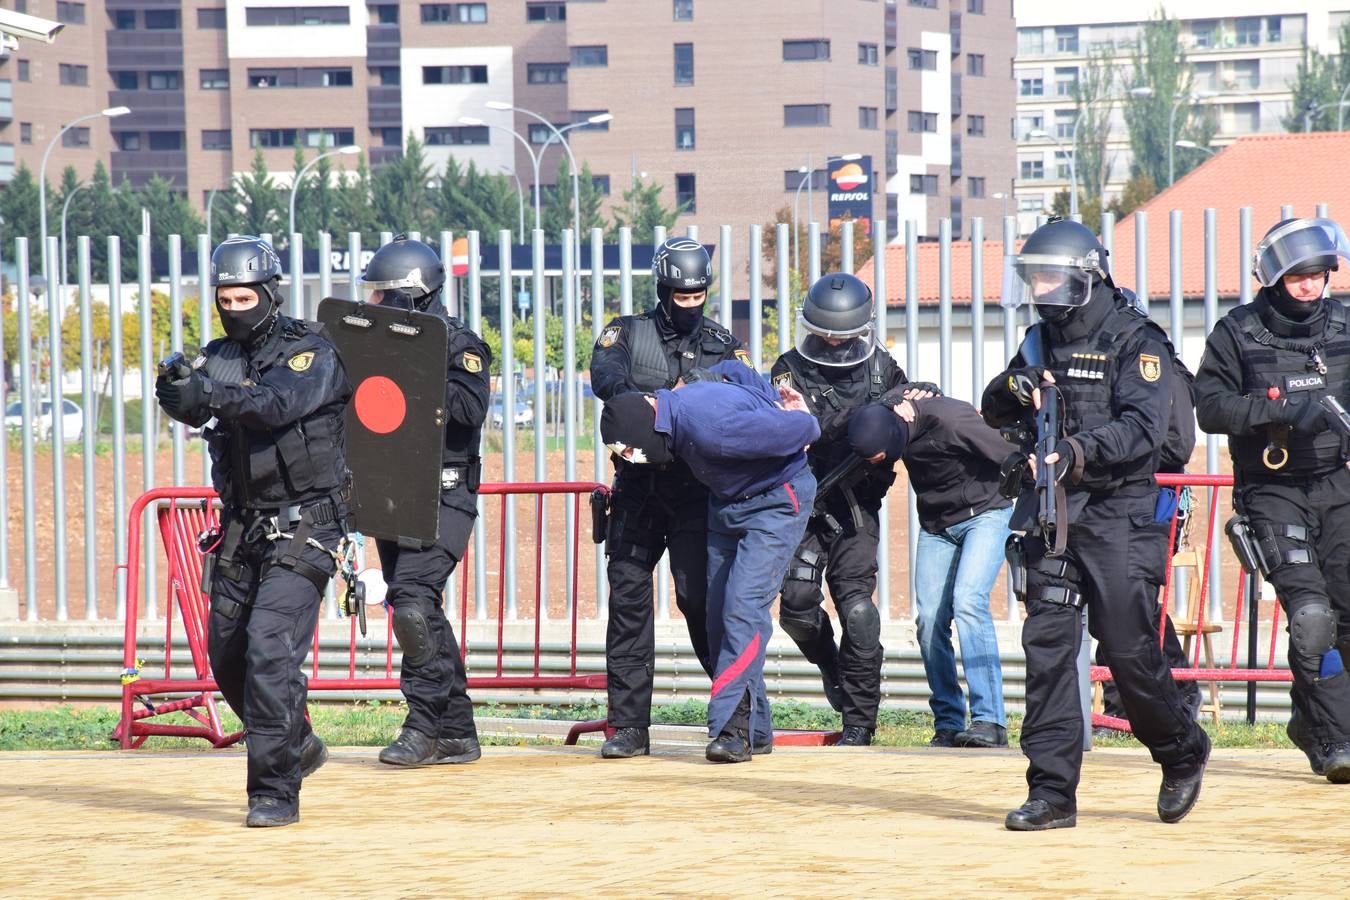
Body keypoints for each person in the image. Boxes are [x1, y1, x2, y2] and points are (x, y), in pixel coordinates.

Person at [981, 218, 1210, 831]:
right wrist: (1016, 384)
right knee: (1049, 651)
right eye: (1034, 277)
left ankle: (1181, 749)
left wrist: (1080, 452)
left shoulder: (1137, 341)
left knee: (1130, 652)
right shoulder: (1038, 340)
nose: (1043, 288)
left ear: (1087, 275)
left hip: (1120, 513)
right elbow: (995, 406)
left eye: (1053, 275)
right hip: (1053, 513)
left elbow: (1143, 429)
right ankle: (1051, 792)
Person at [155, 235, 352, 827]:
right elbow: (198, 403)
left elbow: (272, 404)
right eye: (225, 297)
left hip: (308, 526)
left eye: (245, 296)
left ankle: (273, 791)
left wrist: (209, 391)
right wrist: (177, 390)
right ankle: (296, 744)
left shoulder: (311, 352)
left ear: (270, 293)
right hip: (242, 526)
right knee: (228, 655)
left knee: (270, 648)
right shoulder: (219, 355)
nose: (234, 306)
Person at [601, 361, 860, 761]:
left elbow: (806, 430)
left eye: (639, 452)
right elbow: (731, 370)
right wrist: (768, 394)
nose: (641, 459)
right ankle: (756, 730)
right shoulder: (680, 398)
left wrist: (797, 412)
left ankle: (731, 730)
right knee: (718, 614)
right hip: (727, 506)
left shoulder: (715, 429)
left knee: (742, 609)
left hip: (776, 503)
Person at [1194, 216, 1350, 782]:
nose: (1309, 286)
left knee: (1347, 618)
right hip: (1273, 488)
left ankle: (1314, 722)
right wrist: (1280, 411)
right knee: (1312, 617)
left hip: (1339, 485)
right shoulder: (1237, 331)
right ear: (1274, 277)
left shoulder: (1345, 325)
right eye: (1297, 276)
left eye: (1317, 274)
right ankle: (1337, 740)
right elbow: (1208, 407)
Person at [589, 237, 750, 759]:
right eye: (681, 295)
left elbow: (741, 387)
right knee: (628, 600)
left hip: (694, 489)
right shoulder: (626, 332)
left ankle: (736, 721)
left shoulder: (723, 341)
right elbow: (606, 376)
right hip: (637, 485)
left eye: (699, 295)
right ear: (662, 288)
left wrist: (692, 387)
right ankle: (629, 727)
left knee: (700, 599)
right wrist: (644, 401)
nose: (691, 303)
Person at [770, 272, 936, 746]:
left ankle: (861, 722)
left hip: (857, 504)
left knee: (859, 609)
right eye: (824, 333)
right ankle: (832, 667)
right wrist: (866, 414)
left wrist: (907, 404)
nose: (831, 343)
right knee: (797, 605)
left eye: (840, 336)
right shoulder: (787, 368)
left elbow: (908, 416)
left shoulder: (883, 370)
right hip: (804, 495)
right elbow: (802, 428)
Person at [356, 237, 492, 768]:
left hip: (445, 495)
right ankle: (457, 731)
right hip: (393, 492)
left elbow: (467, 407)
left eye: (387, 295)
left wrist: (412, 364)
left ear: (415, 295)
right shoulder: (374, 343)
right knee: (419, 610)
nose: (379, 305)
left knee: (412, 601)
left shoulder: (461, 345)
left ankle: (423, 726)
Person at [898, 395, 1013, 749]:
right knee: (929, 619)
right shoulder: (887, 425)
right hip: (937, 526)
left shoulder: (952, 419)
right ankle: (948, 721)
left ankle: (990, 720)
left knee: (968, 601)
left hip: (986, 513)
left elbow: (1010, 456)